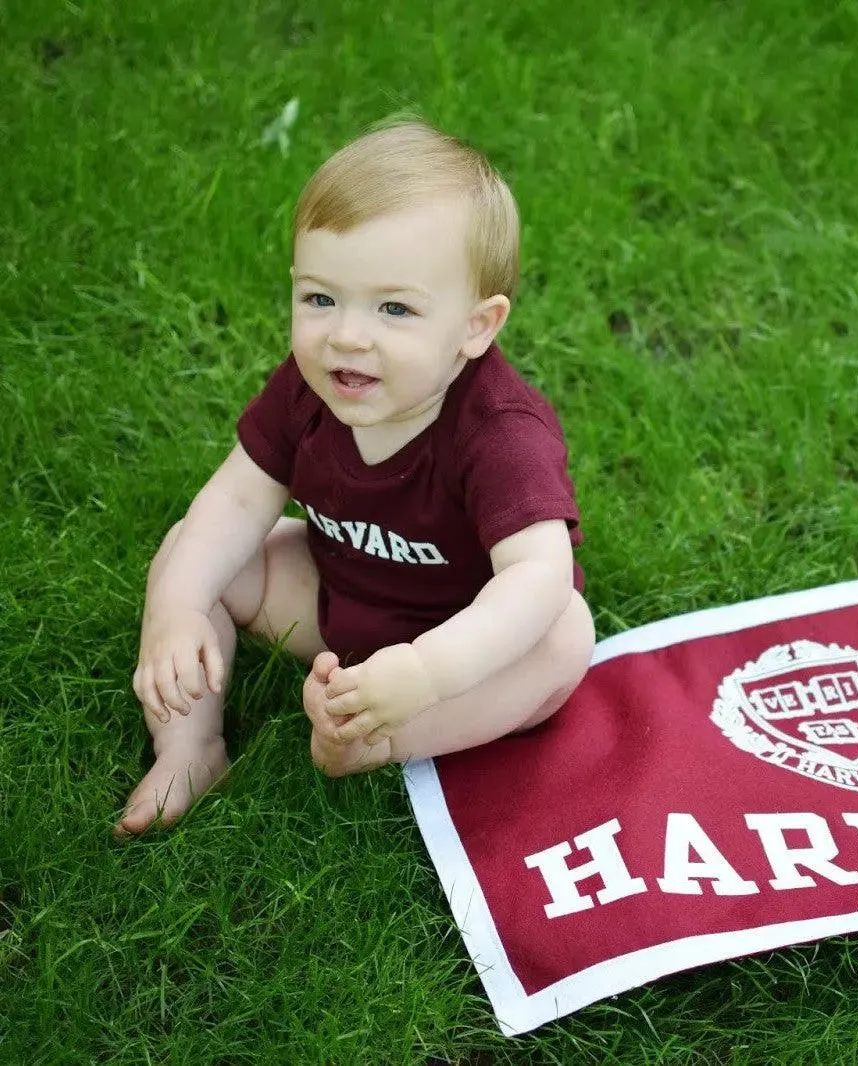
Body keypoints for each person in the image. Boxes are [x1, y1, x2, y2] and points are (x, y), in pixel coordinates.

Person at [117, 120, 594, 838]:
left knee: (564, 634)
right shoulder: (310, 390)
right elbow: (240, 496)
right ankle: (189, 747)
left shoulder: (499, 431)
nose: (345, 335)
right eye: (319, 299)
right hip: (335, 599)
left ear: (476, 326)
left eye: (394, 308)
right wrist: (179, 608)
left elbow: (536, 577)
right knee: (196, 546)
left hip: (465, 643)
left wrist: (427, 673)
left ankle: (379, 739)